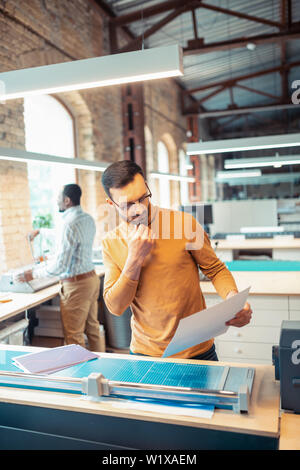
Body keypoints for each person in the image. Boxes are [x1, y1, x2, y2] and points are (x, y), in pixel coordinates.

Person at [101, 160, 252, 360]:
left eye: (143, 198)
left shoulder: (185, 224)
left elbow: (215, 269)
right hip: (146, 354)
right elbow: (116, 307)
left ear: (146, 186)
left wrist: (233, 299)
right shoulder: (111, 243)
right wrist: (134, 259)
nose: (139, 209)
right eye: (128, 204)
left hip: (198, 350)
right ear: (111, 204)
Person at [17, 184, 102, 352]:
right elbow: (64, 235)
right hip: (91, 280)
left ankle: (80, 376)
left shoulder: (68, 224)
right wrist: (41, 231)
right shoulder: (87, 218)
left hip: (76, 286)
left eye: (58, 199)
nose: (56, 202)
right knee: (93, 329)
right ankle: (102, 369)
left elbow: (60, 266)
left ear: (67, 201)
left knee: (73, 335)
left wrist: (33, 274)